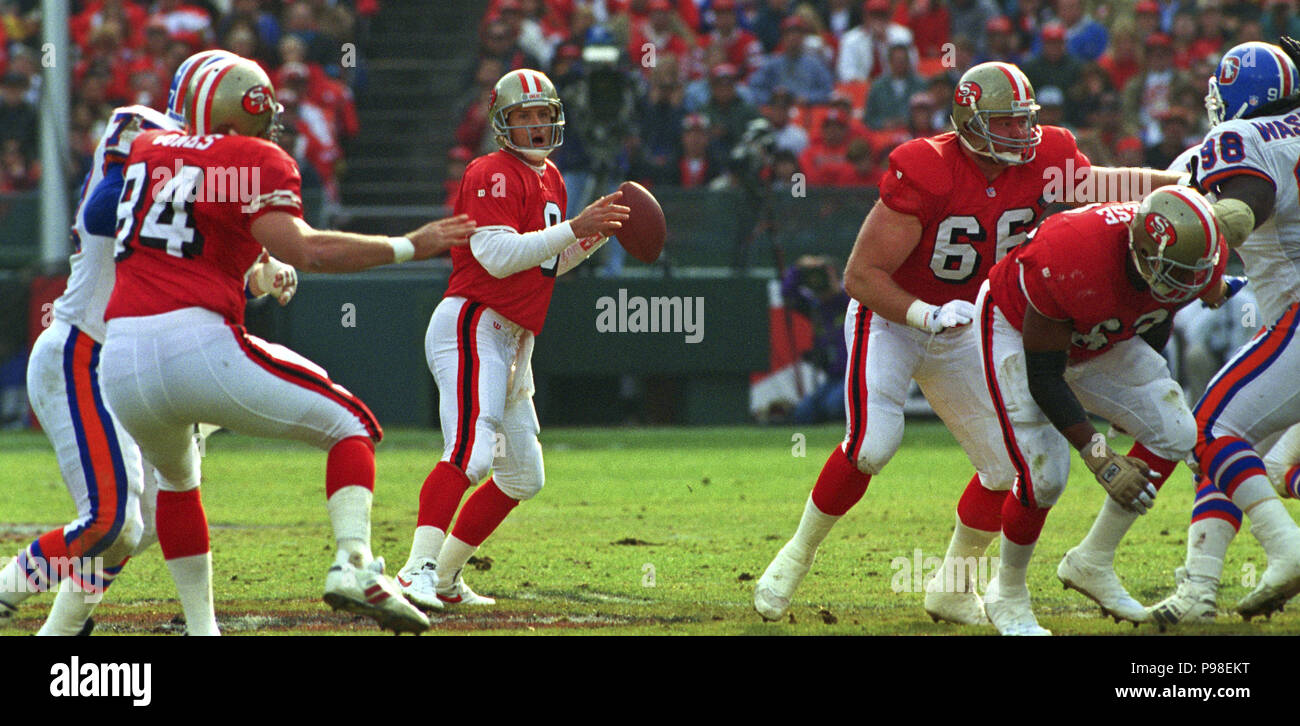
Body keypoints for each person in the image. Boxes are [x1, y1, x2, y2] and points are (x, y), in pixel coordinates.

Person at [753, 60, 1187, 625]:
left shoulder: (1048, 157)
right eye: (1005, 123)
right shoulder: (926, 166)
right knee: (872, 444)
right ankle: (797, 554)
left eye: (1024, 121)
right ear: (969, 120)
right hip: (893, 316)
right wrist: (923, 314)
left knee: (1006, 471)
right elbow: (861, 276)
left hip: (963, 323)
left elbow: (1111, 184)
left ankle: (953, 588)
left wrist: (1185, 186)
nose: (1021, 134)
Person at [95, 56, 476, 635]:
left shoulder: (148, 149)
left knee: (177, 483)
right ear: (239, 108)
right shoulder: (252, 158)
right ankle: (353, 563)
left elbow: (192, 226)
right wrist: (409, 245)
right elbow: (309, 250)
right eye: (263, 109)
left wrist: (255, 264)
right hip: (194, 341)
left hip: (119, 359)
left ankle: (203, 629)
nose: (270, 120)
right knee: (351, 425)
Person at [0, 50, 277, 636]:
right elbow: (105, 214)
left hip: (138, 359)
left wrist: (257, 265)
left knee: (145, 524)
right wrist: (191, 178)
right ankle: (5, 590)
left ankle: (61, 631)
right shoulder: (144, 127)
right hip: (86, 347)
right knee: (109, 523)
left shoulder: (222, 171)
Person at [394, 68, 629, 610]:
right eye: (524, 116)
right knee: (470, 453)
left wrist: (591, 235)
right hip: (474, 322)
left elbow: (545, 260)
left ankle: (447, 577)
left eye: (544, 114)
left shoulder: (552, 179)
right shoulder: (491, 171)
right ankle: (415, 570)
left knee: (523, 475)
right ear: (503, 124)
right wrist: (574, 227)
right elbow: (497, 257)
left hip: (513, 335)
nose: (537, 125)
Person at [976, 187, 1231, 635]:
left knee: (1174, 429)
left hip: (1102, 332)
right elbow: (1046, 377)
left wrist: (1125, 407)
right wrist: (1099, 457)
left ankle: (1092, 561)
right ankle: (1007, 592)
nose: (1187, 285)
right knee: (1044, 476)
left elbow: (1155, 315)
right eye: (1174, 273)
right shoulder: (1073, 254)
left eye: (1196, 275)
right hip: (1017, 329)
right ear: (1144, 252)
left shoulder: (1194, 256)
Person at [1147, 40, 1300, 627]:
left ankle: (1285, 549)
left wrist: (1203, 224)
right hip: (1281, 311)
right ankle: (1198, 591)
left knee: (1208, 428)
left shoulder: (1241, 139)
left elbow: (1246, 207)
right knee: (1262, 461)